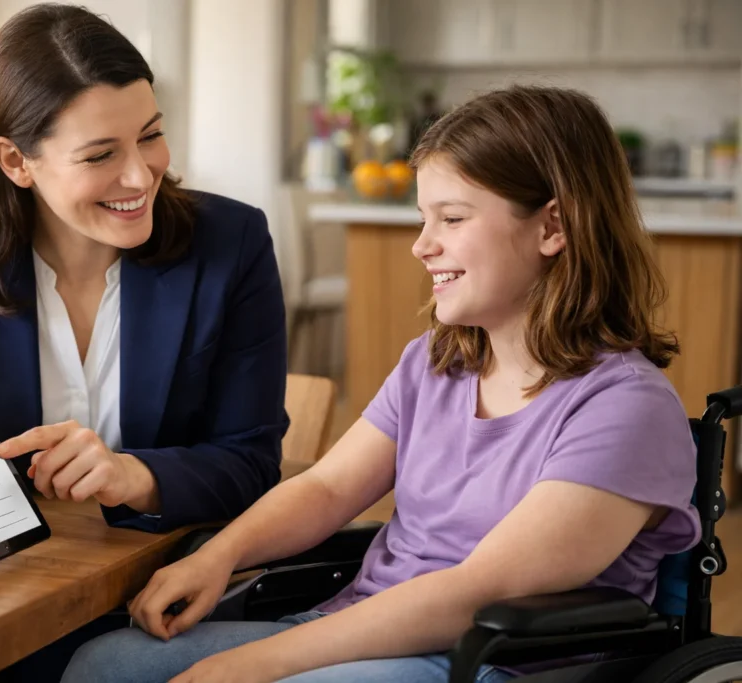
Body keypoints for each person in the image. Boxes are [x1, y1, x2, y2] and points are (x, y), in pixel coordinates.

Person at [61, 85, 704, 683]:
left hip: (485, 660)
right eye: (424, 219)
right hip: (367, 629)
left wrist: (250, 666)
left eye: (451, 219)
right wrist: (218, 556)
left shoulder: (623, 408)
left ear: (552, 228)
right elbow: (328, 486)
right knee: (102, 666)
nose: (422, 246)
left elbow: (475, 594)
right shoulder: (435, 363)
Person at [0, 2, 288, 677]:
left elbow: (251, 463)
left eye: (150, 135)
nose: (141, 176)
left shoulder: (230, 245)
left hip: (159, 598)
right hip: (2, 593)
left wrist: (135, 475)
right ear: (14, 160)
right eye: (100, 155)